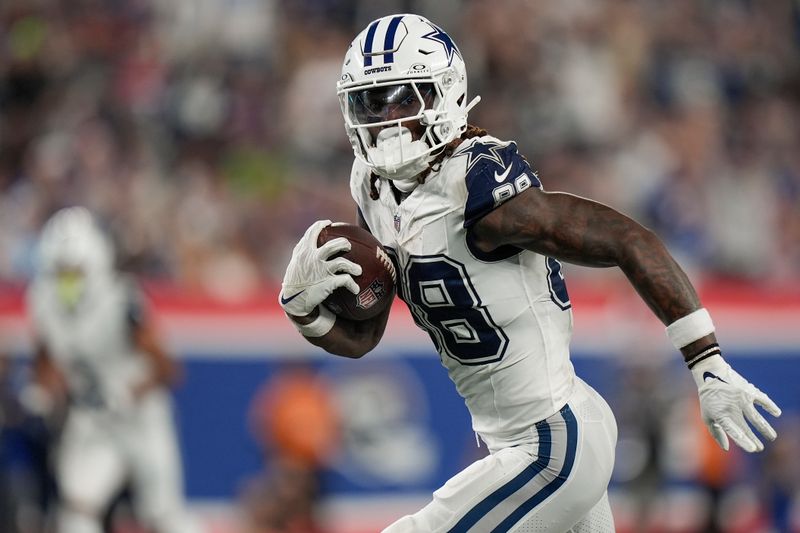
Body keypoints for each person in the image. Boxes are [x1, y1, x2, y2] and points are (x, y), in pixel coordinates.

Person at [278, 14, 782, 532]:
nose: (384, 120)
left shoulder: (478, 188)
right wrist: (302, 312)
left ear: (444, 93)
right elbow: (366, 333)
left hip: (552, 445)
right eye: (370, 103)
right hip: (526, 442)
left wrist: (706, 361)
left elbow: (628, 240)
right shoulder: (374, 187)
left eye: (402, 98)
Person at [26, 206, 199, 533]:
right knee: (77, 510)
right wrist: (42, 393)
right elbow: (45, 361)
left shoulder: (122, 301)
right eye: (60, 272)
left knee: (162, 515)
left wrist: (129, 388)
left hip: (141, 418)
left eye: (74, 272)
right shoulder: (43, 300)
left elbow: (169, 368)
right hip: (93, 419)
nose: (67, 281)